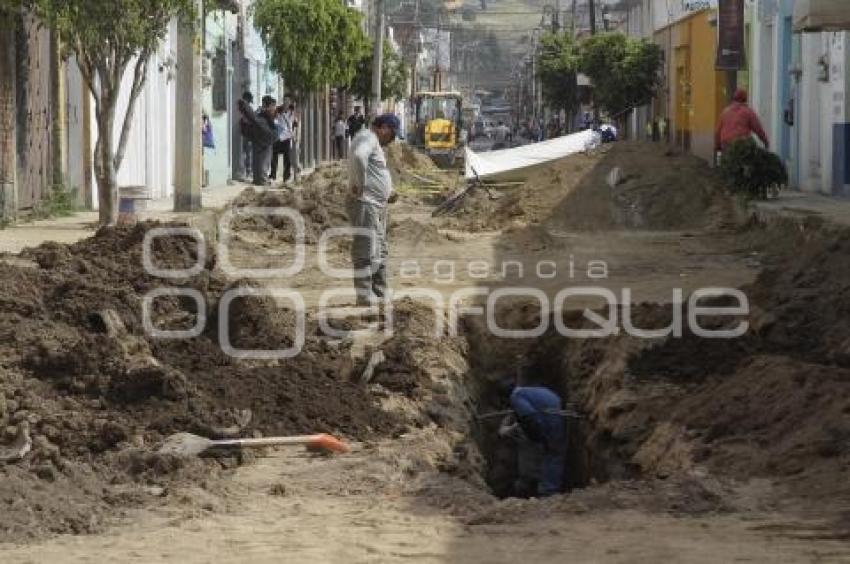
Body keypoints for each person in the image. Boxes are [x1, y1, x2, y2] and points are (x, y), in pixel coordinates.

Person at [347, 113, 399, 306]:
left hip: (374, 203)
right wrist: (360, 185)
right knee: (366, 249)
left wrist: (387, 192)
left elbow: (371, 168)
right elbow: (359, 156)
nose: (391, 140)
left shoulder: (371, 139)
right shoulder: (367, 137)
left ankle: (379, 292)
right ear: (383, 127)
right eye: (392, 134)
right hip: (365, 203)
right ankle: (364, 295)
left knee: (379, 249)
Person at [498, 379, 566, 497]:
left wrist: (536, 436)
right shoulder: (531, 391)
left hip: (548, 422)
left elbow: (528, 417)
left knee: (551, 455)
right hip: (556, 418)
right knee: (554, 454)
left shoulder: (516, 397)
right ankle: (547, 488)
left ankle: (548, 492)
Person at [237, 95, 277, 186]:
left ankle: (261, 179)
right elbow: (252, 119)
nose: (273, 108)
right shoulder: (261, 114)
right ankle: (259, 180)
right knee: (259, 161)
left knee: (262, 161)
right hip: (260, 138)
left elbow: (253, 119)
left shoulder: (265, 113)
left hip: (265, 139)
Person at [715, 88, 769, 153]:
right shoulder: (748, 112)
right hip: (741, 145)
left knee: (728, 160)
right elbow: (758, 129)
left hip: (726, 144)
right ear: (745, 100)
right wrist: (765, 142)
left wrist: (717, 146)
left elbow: (718, 131)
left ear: (733, 99)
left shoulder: (725, 112)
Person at [271, 103, 296, 182]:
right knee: (275, 157)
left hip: (285, 138)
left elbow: (295, 125)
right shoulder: (278, 117)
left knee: (286, 158)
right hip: (280, 138)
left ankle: (285, 176)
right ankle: (274, 175)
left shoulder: (291, 116)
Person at [238, 92, 254, 181]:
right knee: (245, 154)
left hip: (247, 133)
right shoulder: (242, 108)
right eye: (248, 101)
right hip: (244, 133)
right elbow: (245, 119)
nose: (249, 103)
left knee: (248, 154)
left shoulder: (245, 108)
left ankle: (247, 172)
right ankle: (245, 172)